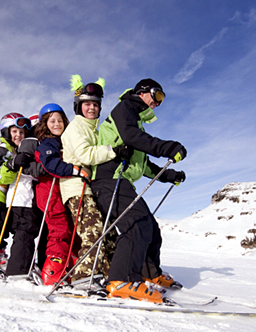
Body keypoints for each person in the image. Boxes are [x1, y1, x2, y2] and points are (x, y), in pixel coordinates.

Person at [95, 78, 187, 303]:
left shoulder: (136, 121)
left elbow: (143, 165)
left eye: (162, 99)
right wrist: (167, 147)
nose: (158, 103)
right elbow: (132, 137)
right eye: (157, 96)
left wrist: (169, 176)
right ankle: (121, 281)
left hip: (122, 180)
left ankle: (149, 274)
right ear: (142, 92)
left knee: (150, 228)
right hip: (108, 179)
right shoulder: (124, 109)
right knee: (135, 226)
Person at [60, 76, 117, 284]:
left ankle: (112, 276)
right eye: (87, 104)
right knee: (94, 232)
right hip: (77, 189)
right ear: (79, 107)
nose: (92, 108)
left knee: (109, 233)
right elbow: (85, 155)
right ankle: (83, 277)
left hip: (91, 188)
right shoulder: (76, 127)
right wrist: (112, 151)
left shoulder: (93, 128)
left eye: (95, 104)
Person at [34, 103, 91, 285]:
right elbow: (51, 165)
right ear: (45, 124)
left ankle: (70, 266)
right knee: (60, 228)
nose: (57, 124)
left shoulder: (63, 140)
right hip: (49, 190)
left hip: (61, 190)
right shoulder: (47, 142)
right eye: (52, 121)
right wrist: (75, 170)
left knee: (71, 229)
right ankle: (53, 270)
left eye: (60, 120)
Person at [0, 113, 44, 277]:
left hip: (25, 198)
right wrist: (14, 163)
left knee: (28, 232)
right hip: (21, 198)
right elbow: (0, 173)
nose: (19, 135)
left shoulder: (20, 147)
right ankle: (18, 271)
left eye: (22, 132)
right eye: (15, 131)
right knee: (24, 231)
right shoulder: (21, 146)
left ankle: (24, 265)